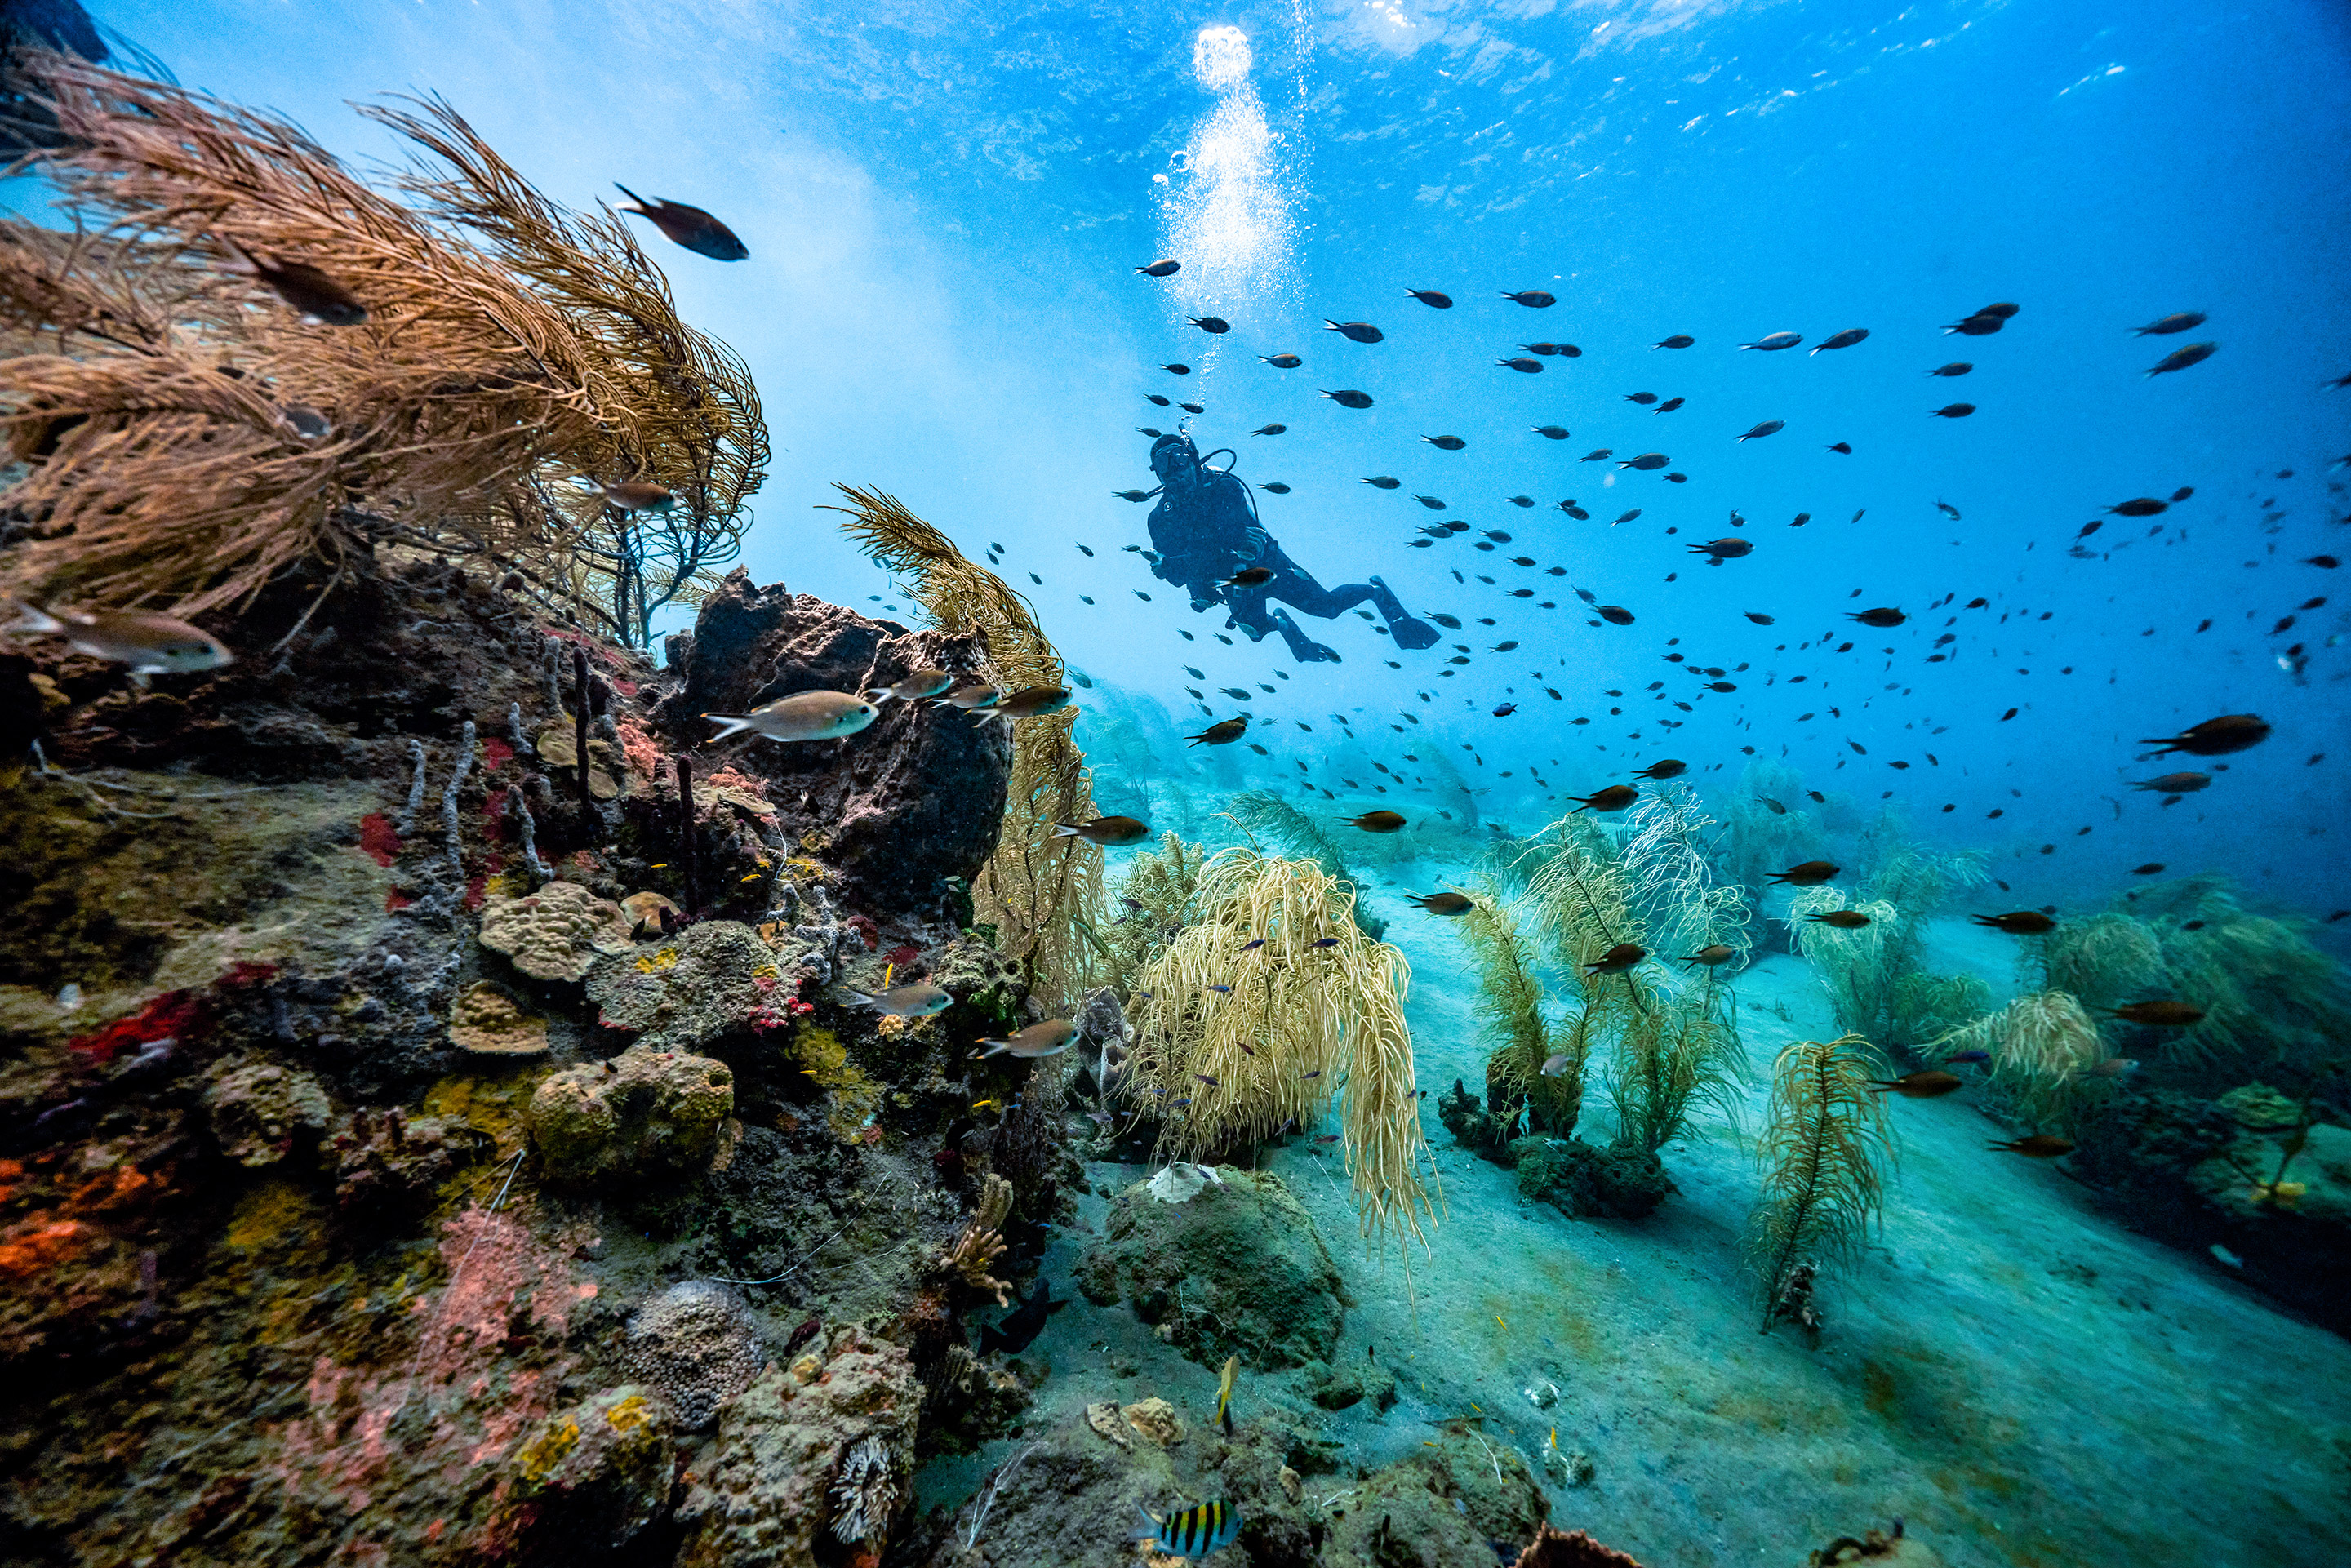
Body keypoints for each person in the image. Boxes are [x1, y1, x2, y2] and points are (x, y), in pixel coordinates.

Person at [1140, 431, 1437, 663]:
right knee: (1254, 631)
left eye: (1177, 459)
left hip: (1269, 565)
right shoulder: (1160, 520)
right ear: (1157, 475)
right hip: (1232, 582)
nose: (1173, 472)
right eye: (1163, 467)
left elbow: (1230, 546)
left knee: (1328, 608)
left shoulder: (1224, 487)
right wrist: (1171, 570)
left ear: (1193, 459)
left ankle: (1376, 591)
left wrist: (1179, 565)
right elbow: (1179, 575)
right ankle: (1282, 624)